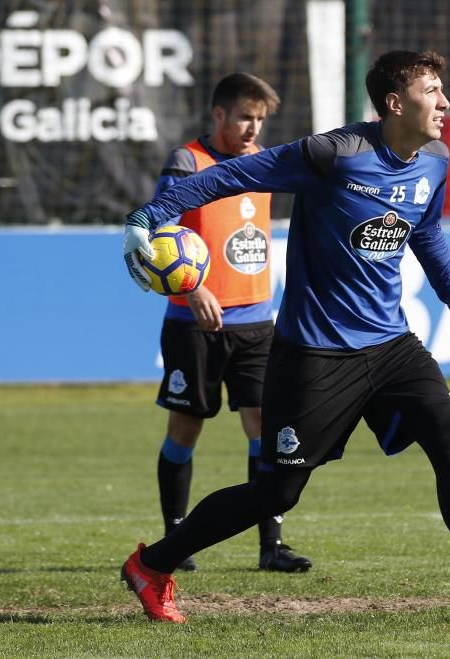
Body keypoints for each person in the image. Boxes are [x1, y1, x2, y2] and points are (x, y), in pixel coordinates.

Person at [119, 50, 450, 624]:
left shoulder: (434, 158)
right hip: (315, 352)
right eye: (433, 90)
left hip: (391, 345)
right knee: (276, 494)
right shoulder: (332, 155)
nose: (445, 102)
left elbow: (426, 235)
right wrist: (148, 217)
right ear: (395, 103)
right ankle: (152, 565)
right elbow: (232, 175)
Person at [149, 73, 312, 574]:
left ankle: (271, 545)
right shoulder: (187, 162)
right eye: (245, 116)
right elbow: (159, 226)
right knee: (186, 428)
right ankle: (177, 537)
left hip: (257, 322)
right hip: (194, 322)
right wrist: (189, 287)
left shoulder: (263, 161)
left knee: (264, 428)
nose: (252, 127)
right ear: (218, 114)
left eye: (260, 119)